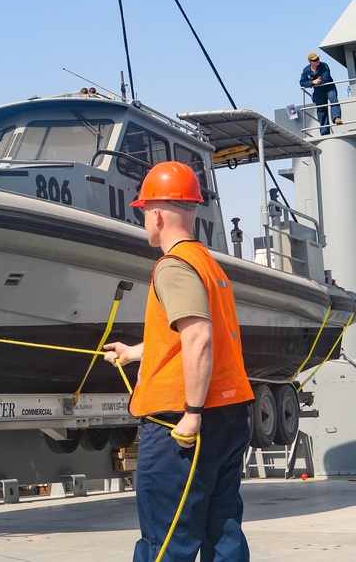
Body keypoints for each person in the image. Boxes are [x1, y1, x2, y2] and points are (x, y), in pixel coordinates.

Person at [104, 161, 254, 562]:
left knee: (167, 539)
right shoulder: (208, 263)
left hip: (181, 423)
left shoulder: (172, 266)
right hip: (229, 413)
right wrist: (136, 352)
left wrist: (191, 412)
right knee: (222, 531)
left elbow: (199, 337)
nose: (144, 223)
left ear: (155, 214)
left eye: (143, 214)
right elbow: (199, 336)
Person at [299, 51, 342, 136]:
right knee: (321, 110)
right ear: (310, 61)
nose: (317, 61)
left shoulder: (324, 66)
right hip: (318, 91)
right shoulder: (306, 70)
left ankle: (336, 117)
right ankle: (324, 132)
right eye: (315, 60)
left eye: (318, 59)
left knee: (334, 99)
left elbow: (326, 78)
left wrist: (316, 82)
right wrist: (313, 82)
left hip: (329, 87)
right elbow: (302, 82)